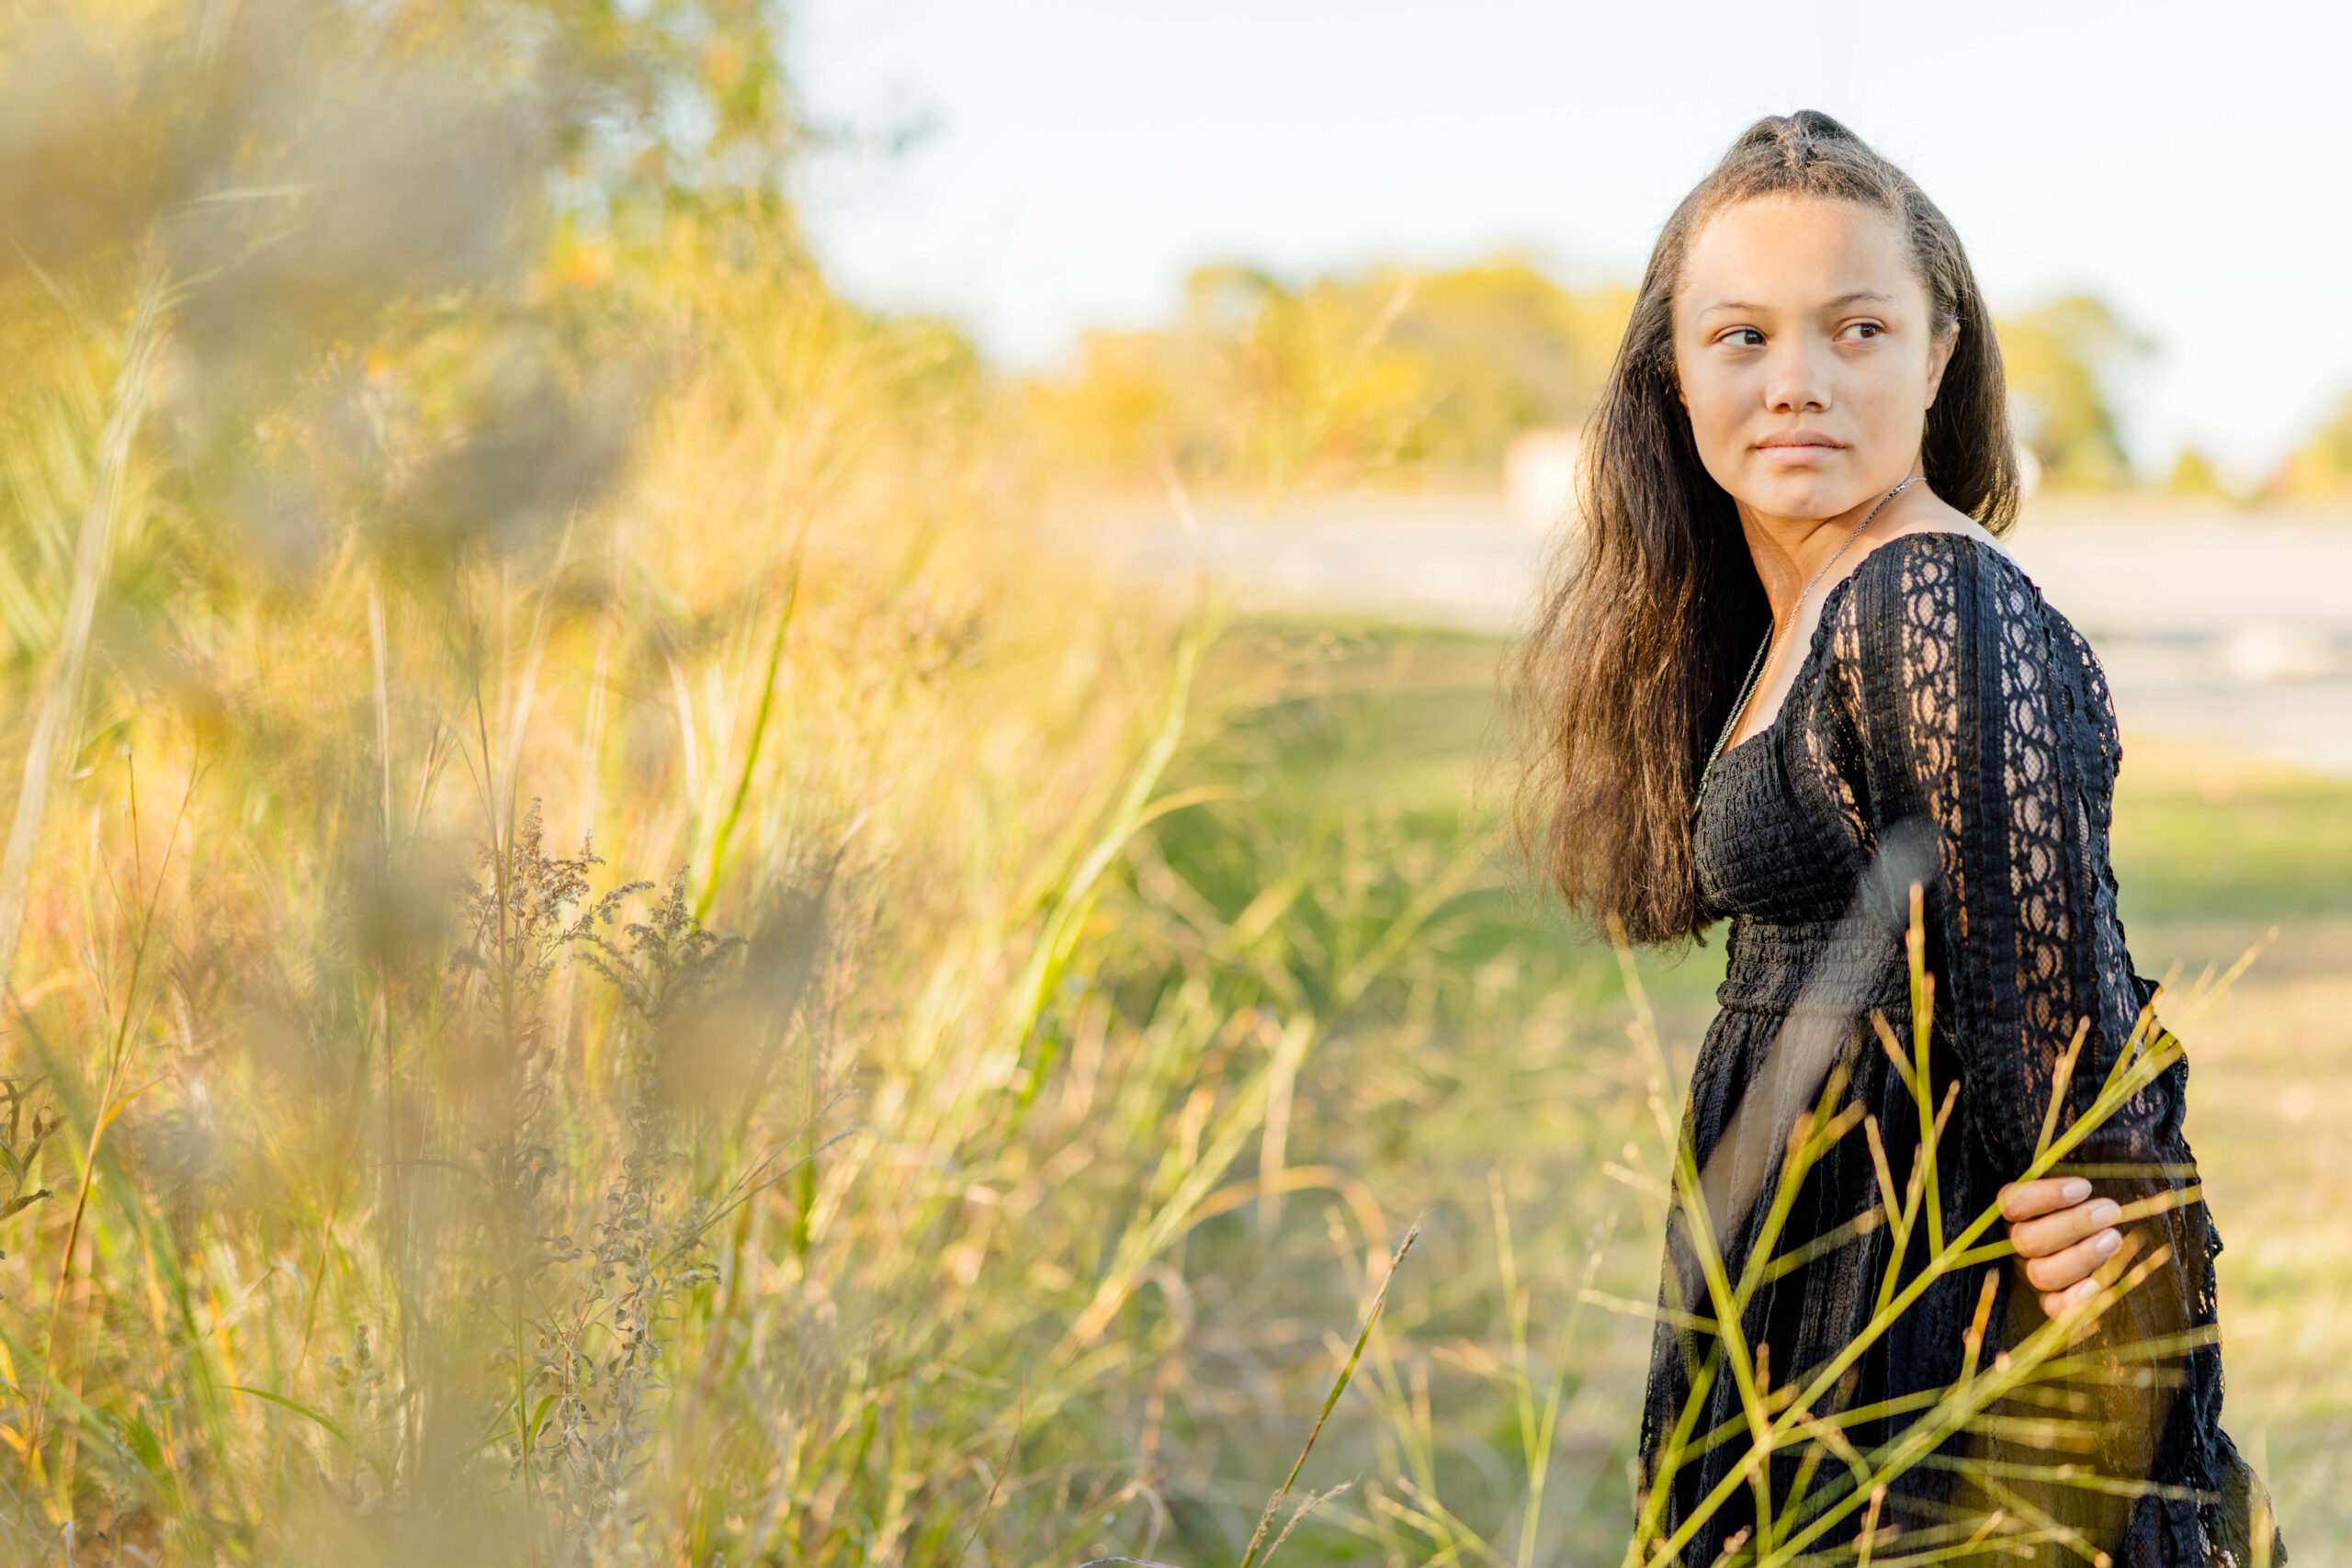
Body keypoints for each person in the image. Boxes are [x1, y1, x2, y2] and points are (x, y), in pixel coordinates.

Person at [1510, 112, 2279, 1563]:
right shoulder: (1802, 604)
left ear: (1939, 356)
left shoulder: (1932, 596)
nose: (1795, 383)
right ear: (1671, 373)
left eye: (1856, 329)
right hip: (1818, 1294)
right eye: (1740, 336)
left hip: (1931, 1347)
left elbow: (2063, 1059)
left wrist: (2092, 1243)